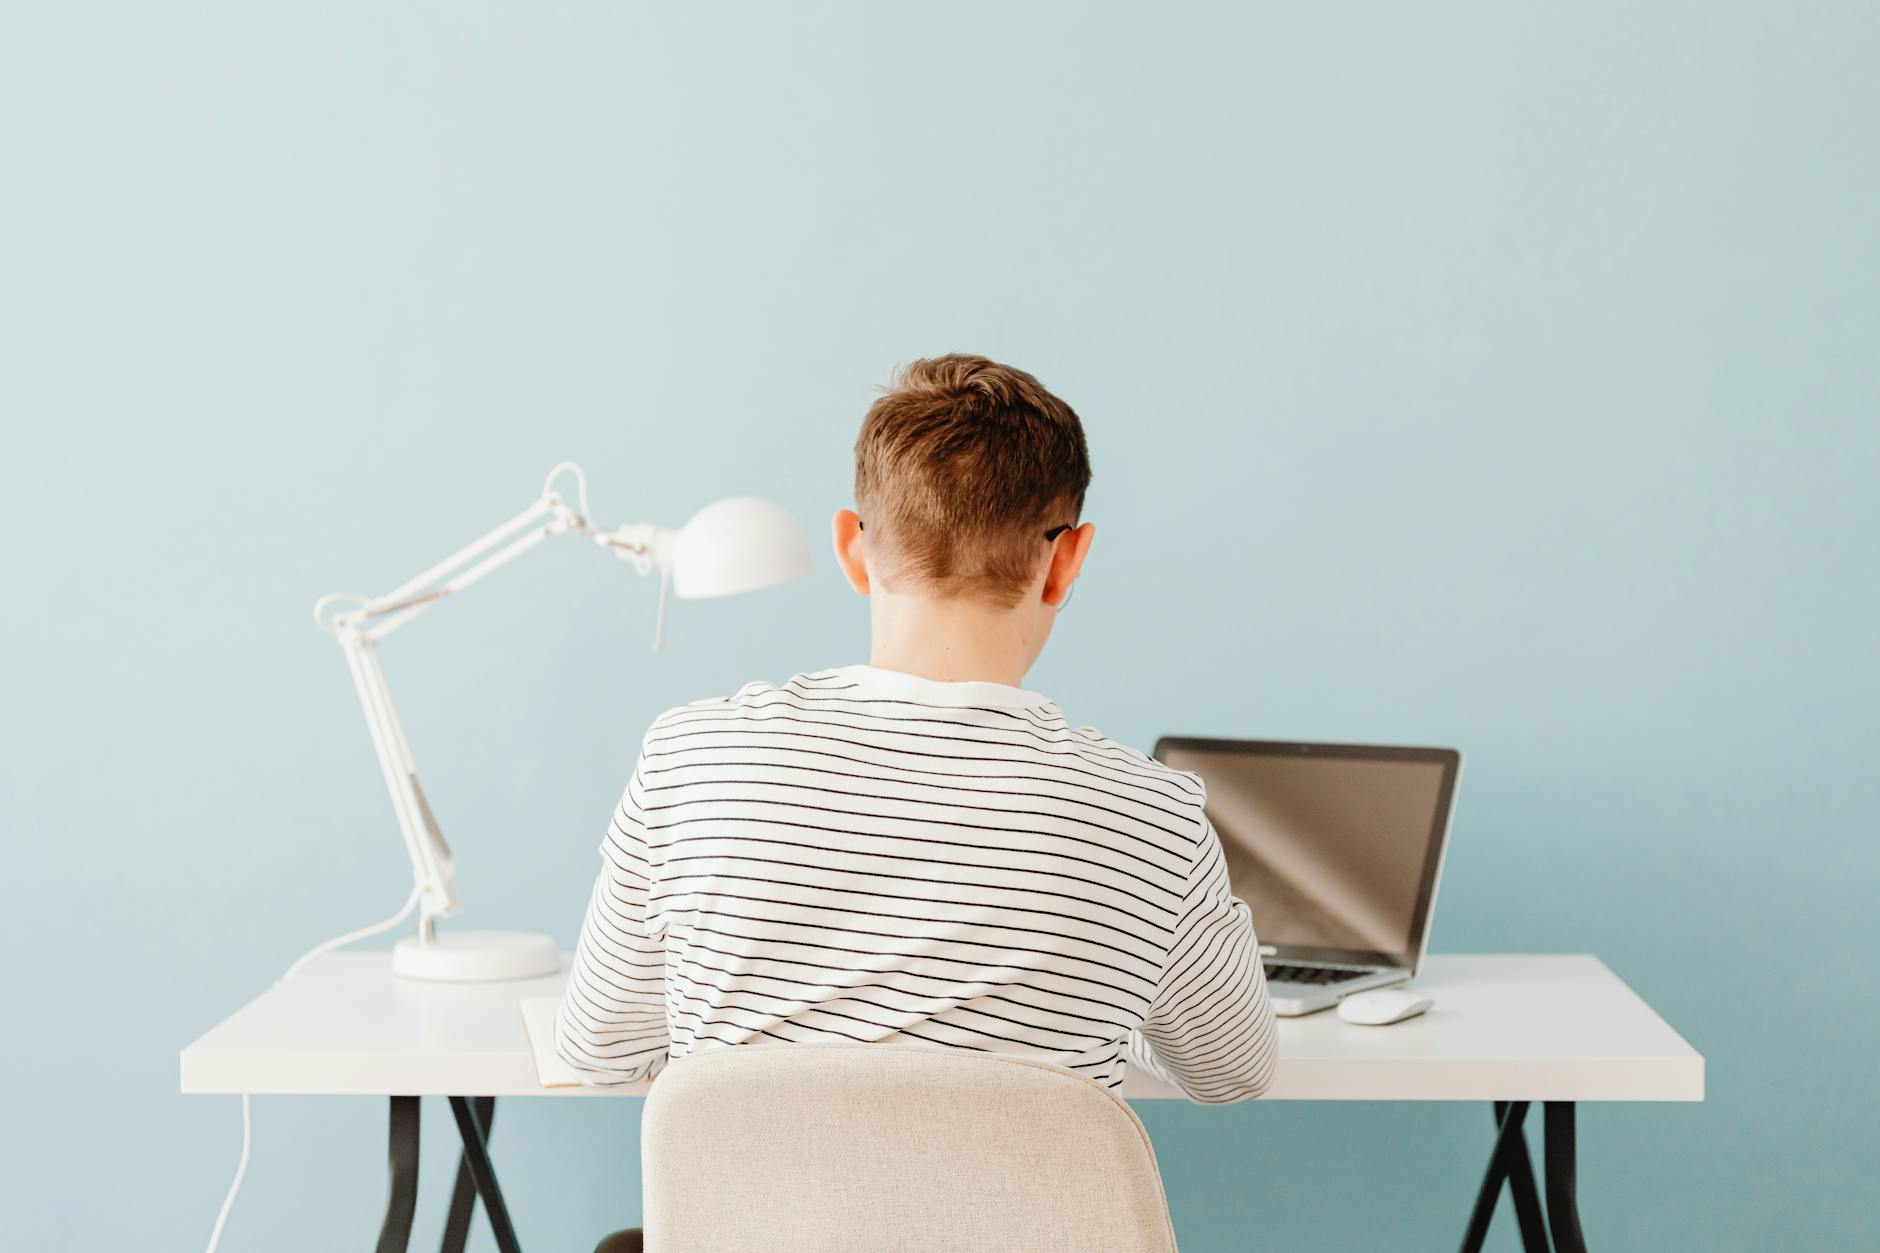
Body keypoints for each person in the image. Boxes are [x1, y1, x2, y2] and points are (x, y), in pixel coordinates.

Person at [556, 353, 1276, 1109]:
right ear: (1066, 561)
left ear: (853, 548)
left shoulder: (690, 762)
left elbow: (600, 1050)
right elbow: (1233, 1071)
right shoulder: (1150, 817)